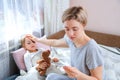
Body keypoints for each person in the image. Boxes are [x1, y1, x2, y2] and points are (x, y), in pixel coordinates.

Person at [32, 6, 104, 80]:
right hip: (74, 77)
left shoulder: (91, 48)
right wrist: (38, 40)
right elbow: (55, 42)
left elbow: (98, 79)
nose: (70, 34)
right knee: (51, 77)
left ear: (83, 25)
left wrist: (78, 75)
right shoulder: (71, 39)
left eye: (75, 29)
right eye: (67, 29)